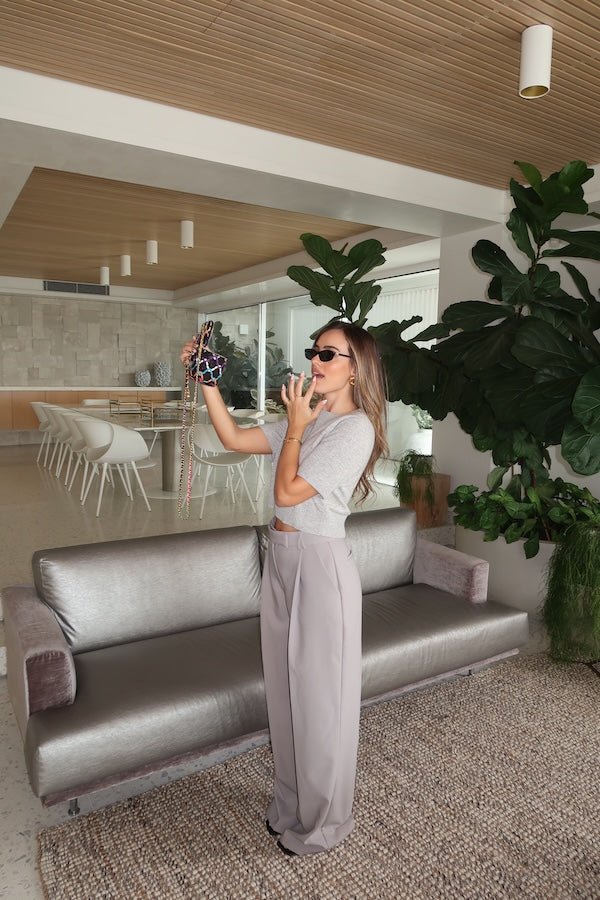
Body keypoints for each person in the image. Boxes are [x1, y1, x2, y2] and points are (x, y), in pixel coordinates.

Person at [180, 321, 388, 856]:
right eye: (314, 351)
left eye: (328, 353)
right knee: (286, 694)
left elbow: (290, 493)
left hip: (320, 565)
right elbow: (232, 438)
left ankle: (325, 823)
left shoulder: (354, 429)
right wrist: (207, 381)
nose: (315, 361)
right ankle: (292, 804)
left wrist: (295, 427)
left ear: (356, 368)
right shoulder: (309, 417)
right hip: (281, 557)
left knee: (321, 701)